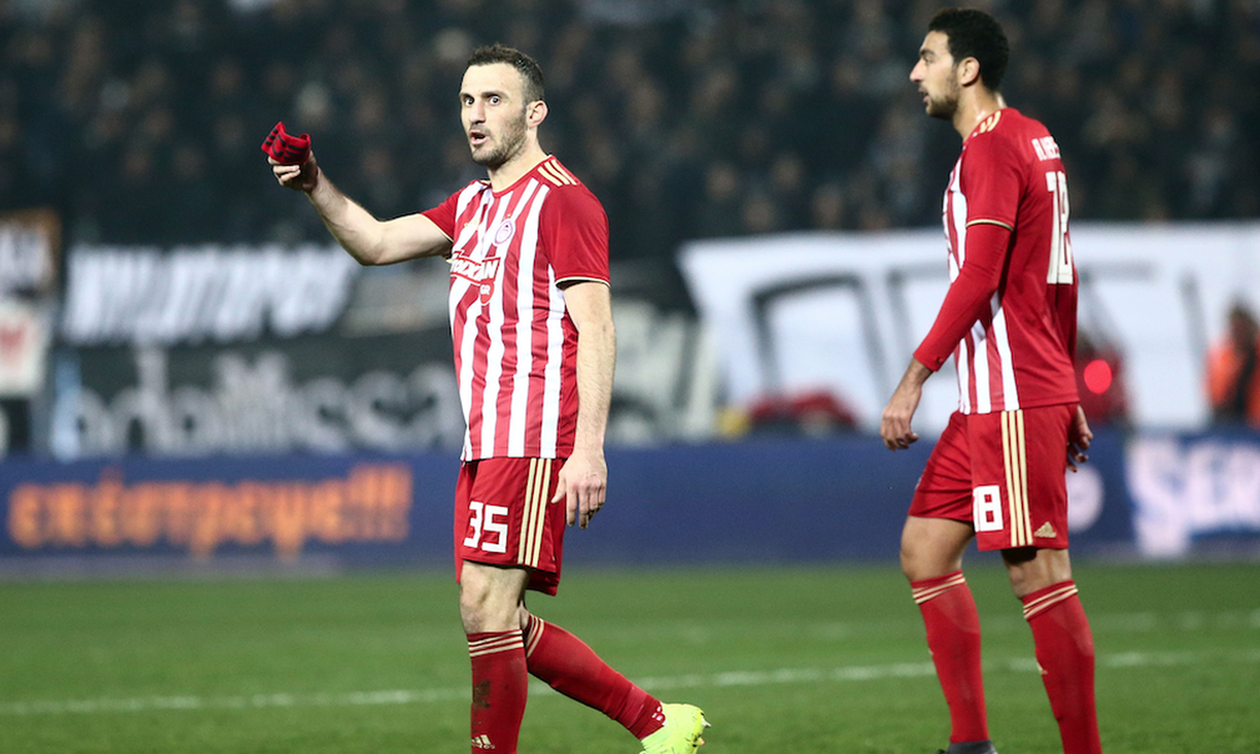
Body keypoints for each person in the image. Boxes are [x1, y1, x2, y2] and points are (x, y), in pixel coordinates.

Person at [265, 44, 708, 754]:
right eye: (468, 101)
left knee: (485, 604)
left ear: (535, 113)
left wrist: (589, 450)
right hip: (484, 441)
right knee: (494, 617)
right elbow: (375, 243)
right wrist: (315, 183)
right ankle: (659, 723)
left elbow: (597, 327)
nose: (475, 115)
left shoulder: (563, 201)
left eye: (493, 100)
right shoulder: (471, 205)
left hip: (534, 435)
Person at [878, 10, 1102, 754]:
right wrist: (1067, 384)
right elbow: (1060, 276)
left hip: (1011, 396)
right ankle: (970, 745)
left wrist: (913, 379)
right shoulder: (1035, 138)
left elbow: (980, 276)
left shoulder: (993, 147)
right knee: (925, 550)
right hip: (1001, 397)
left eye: (928, 58)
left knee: (1038, 573)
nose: (916, 73)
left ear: (966, 69)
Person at [1205, 301, 1260, 427]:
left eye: (1242, 328)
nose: (1239, 333)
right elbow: (1215, 395)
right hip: (1228, 423)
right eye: (1235, 328)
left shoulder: (1255, 354)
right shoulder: (1222, 357)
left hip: (1255, 425)